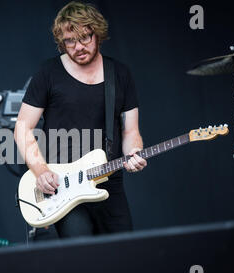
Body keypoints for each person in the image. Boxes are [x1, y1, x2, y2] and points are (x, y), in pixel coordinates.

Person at [14, 1, 147, 238]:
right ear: (62, 42)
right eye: (70, 41)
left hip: (108, 181)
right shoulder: (48, 73)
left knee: (123, 257)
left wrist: (134, 152)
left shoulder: (120, 74)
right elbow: (23, 128)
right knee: (82, 258)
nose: (78, 47)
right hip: (62, 184)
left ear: (98, 34)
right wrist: (41, 170)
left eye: (85, 37)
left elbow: (130, 131)